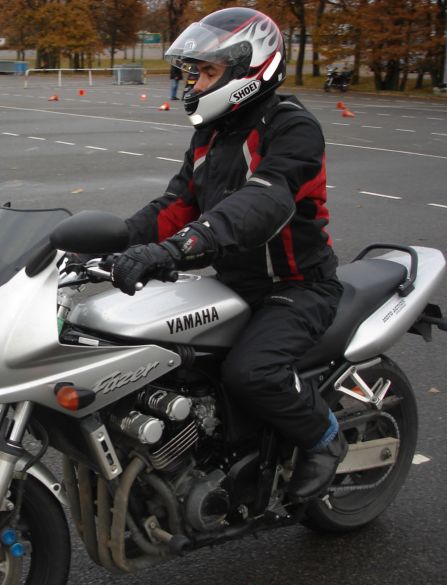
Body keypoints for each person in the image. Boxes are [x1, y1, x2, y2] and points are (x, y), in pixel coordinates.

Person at [110, 7, 347, 502]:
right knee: (167, 358)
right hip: (235, 284)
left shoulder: (292, 128)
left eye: (207, 71)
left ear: (249, 69)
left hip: (298, 286)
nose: (194, 83)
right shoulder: (211, 136)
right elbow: (176, 205)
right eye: (194, 72)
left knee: (251, 373)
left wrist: (178, 248)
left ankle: (323, 438)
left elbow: (263, 201)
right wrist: (102, 242)